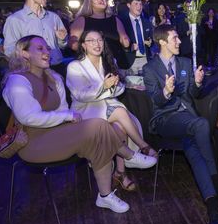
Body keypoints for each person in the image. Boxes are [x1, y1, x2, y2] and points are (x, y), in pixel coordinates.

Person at [2, 35, 155, 213]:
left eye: (47, 48)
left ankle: (104, 196)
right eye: (40, 49)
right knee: (99, 126)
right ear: (24, 53)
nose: (47, 52)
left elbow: (62, 109)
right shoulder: (17, 81)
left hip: (57, 134)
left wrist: (66, 118)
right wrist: (66, 117)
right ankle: (129, 156)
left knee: (100, 136)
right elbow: (29, 117)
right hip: (33, 142)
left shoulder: (54, 78)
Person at [143, 25, 218, 224]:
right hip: (165, 119)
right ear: (162, 42)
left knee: (195, 152)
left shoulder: (185, 63)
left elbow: (192, 94)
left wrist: (197, 82)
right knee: (201, 125)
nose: (179, 41)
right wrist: (165, 92)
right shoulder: (150, 68)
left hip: (187, 118)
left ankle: (214, 214)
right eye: (175, 37)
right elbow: (155, 102)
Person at [66, 30, 158, 191]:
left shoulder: (109, 61)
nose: (97, 44)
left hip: (109, 108)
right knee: (121, 113)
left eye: (100, 40)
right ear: (83, 45)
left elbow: (120, 88)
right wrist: (104, 86)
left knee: (119, 128)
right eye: (91, 40)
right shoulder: (75, 66)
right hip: (86, 111)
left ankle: (120, 172)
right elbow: (80, 95)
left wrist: (111, 87)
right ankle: (143, 147)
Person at [3, 0, 68, 71]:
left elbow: (62, 46)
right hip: (32, 69)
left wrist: (62, 40)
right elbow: (9, 50)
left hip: (57, 66)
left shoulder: (53, 17)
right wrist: (28, 57)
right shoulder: (15, 19)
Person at [69, 0, 131, 69]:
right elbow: (73, 44)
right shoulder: (82, 20)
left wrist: (126, 41)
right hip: (90, 66)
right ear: (89, 2)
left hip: (114, 64)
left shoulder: (115, 19)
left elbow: (124, 40)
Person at [118, 0, 153, 78]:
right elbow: (116, 43)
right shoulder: (121, 22)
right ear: (129, 5)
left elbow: (151, 38)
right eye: (136, 4)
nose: (139, 7)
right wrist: (128, 47)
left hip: (145, 60)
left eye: (140, 4)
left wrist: (151, 41)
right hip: (129, 61)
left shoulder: (147, 22)